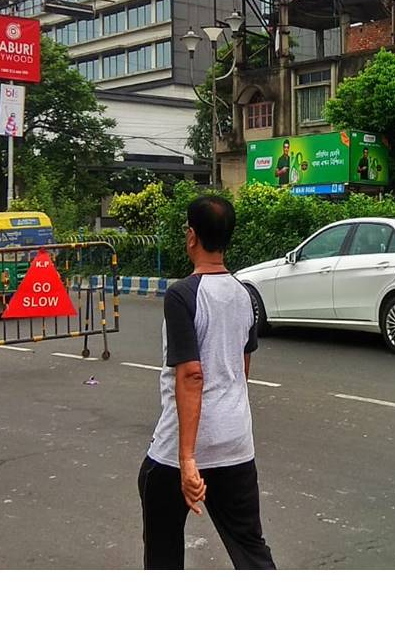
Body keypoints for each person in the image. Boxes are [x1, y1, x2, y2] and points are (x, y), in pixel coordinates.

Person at [138, 195, 275, 569]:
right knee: (250, 547)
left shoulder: (183, 294)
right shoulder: (246, 295)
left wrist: (187, 460)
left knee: (163, 552)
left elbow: (191, 374)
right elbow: (241, 367)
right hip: (236, 443)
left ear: (191, 236)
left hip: (179, 448)